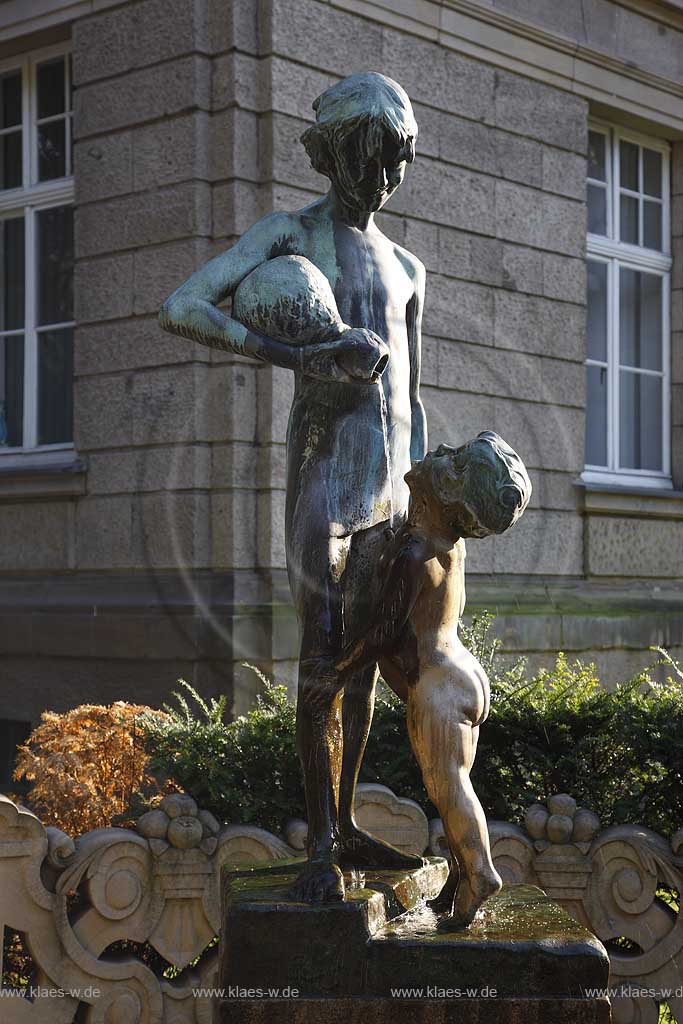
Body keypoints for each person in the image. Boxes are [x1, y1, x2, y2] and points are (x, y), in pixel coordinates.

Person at [158, 72, 427, 902]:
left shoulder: (410, 265)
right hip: (323, 476)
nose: (377, 180)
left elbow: (411, 391)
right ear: (327, 154)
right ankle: (318, 849)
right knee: (320, 657)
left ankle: (345, 827)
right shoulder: (289, 233)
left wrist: (430, 494)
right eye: (361, 159)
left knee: (374, 662)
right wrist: (297, 357)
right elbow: (184, 305)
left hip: (393, 492)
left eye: (392, 163)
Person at [336, 432, 532, 927]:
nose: (438, 450)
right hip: (464, 674)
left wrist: (336, 668)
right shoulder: (449, 547)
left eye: (449, 459)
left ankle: (481, 873)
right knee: (450, 787)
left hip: (438, 687)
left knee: (450, 786)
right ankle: (457, 879)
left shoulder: (415, 555)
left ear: (447, 492)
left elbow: (382, 632)